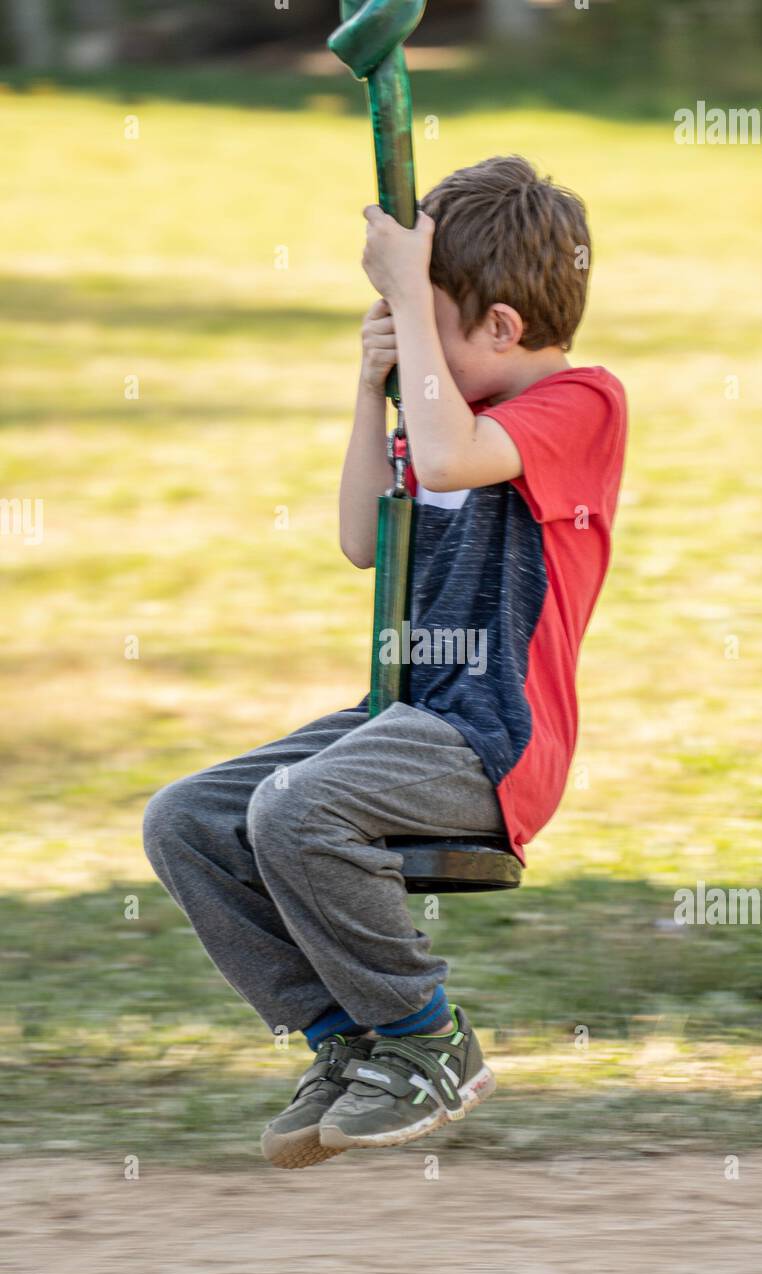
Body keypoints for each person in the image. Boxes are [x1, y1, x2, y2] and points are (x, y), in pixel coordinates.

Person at [143, 155, 627, 1169]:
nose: (413, 344)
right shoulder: (445, 410)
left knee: (293, 808)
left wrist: (409, 298)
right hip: (401, 714)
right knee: (186, 818)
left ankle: (426, 1039)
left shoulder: (580, 405)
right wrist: (372, 388)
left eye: (429, 321)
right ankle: (346, 1039)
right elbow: (366, 537)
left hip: (490, 736)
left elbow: (453, 459)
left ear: (500, 328)